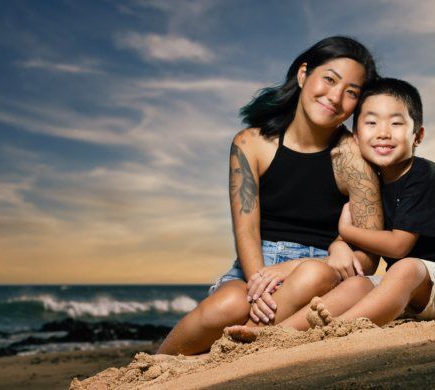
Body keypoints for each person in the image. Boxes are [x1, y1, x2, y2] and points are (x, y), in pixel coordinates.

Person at [157, 36, 384, 355]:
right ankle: (151, 368)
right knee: (228, 304)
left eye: (351, 93)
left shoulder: (353, 159)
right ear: (304, 74)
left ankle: (231, 355)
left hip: (319, 277)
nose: (335, 97)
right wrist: (258, 285)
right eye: (329, 79)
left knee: (312, 274)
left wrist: (334, 255)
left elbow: (370, 256)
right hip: (255, 267)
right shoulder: (250, 143)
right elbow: (246, 230)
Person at [225, 78, 435, 343]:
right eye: (371, 123)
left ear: (418, 136)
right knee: (357, 285)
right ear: (356, 137)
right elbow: (366, 235)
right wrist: (340, 244)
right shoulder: (372, 183)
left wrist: (347, 231)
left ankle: (335, 331)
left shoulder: (424, 175)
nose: (383, 132)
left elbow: (398, 246)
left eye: (396, 123)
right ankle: (278, 334)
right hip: (411, 292)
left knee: (405, 268)